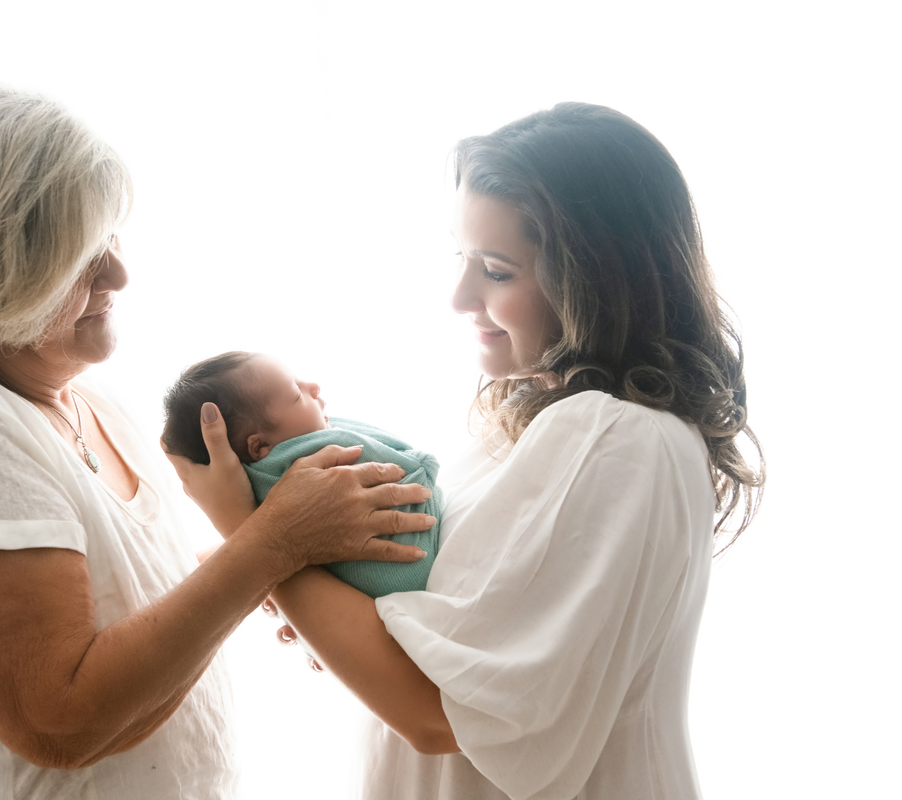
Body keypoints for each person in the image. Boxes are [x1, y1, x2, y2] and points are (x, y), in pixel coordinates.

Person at [164, 102, 765, 800]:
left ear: (598, 280)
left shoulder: (616, 438)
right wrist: (331, 605)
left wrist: (254, 536)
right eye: (461, 256)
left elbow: (433, 712)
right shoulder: (531, 423)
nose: (458, 295)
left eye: (498, 270)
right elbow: (439, 640)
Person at [0, 85, 435, 800]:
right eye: (78, 255)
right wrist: (273, 547)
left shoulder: (90, 403)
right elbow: (63, 722)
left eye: (109, 237)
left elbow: (127, 595)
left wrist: (294, 574)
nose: (119, 273)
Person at [162, 351, 442, 598]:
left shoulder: (246, 493)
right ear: (259, 446)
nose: (314, 387)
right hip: (410, 577)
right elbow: (416, 467)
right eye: (297, 394)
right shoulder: (320, 451)